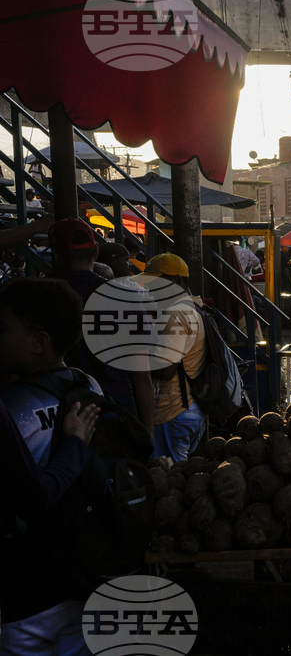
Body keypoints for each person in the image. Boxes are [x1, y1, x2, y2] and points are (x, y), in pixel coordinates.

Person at [0, 278, 103, 654]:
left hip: (24, 590)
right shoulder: (88, 386)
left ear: (39, 342)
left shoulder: (11, 408)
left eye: (2, 329)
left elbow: (29, 498)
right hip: (81, 573)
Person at [47, 219, 155, 442]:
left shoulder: (36, 296)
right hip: (115, 419)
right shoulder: (124, 297)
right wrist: (147, 438)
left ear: (55, 255)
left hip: (55, 421)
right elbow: (142, 377)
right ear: (95, 252)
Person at [142, 254, 208, 461]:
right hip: (190, 409)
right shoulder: (194, 307)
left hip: (173, 410)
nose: (151, 288)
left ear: (179, 281)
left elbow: (166, 369)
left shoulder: (175, 314)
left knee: (168, 481)